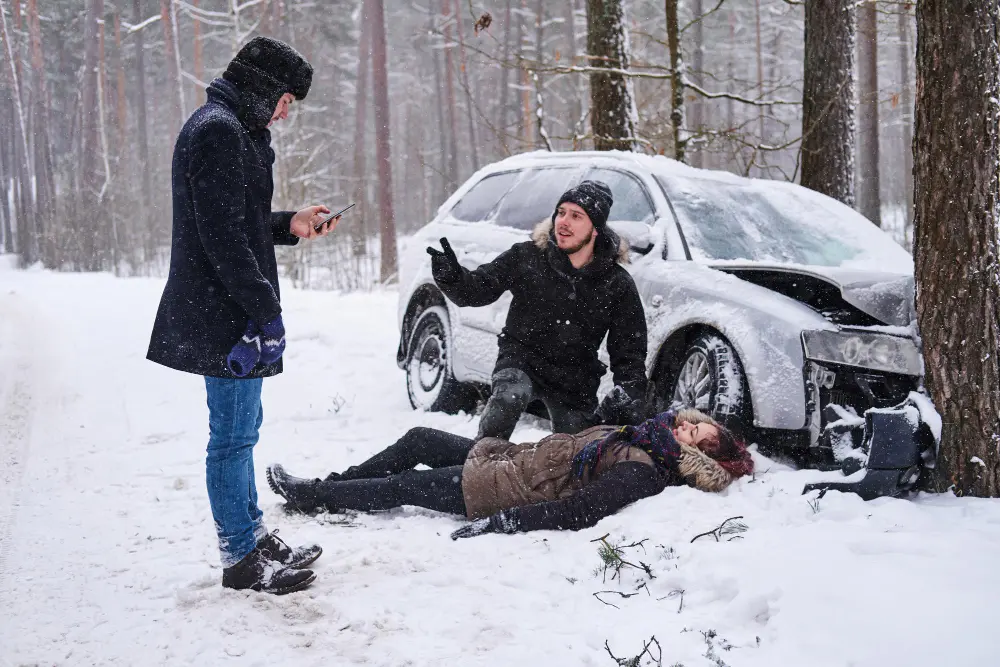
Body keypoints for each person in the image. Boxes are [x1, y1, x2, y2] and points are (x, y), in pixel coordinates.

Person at [147, 37, 340, 595]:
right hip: (224, 309)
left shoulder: (236, 129)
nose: (286, 110)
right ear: (261, 89)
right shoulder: (218, 132)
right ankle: (240, 557)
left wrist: (290, 224)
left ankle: (250, 533)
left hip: (234, 304)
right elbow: (222, 237)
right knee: (231, 436)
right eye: (284, 99)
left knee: (243, 430)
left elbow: (241, 218)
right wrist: (264, 309)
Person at [265, 409, 754, 538]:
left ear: (700, 462)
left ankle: (313, 497)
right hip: (511, 457)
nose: (688, 426)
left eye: (699, 437)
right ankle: (332, 484)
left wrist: (503, 522)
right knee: (418, 438)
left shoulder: (643, 469)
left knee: (403, 488)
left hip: (503, 488)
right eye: (695, 422)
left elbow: (579, 511)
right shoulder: (641, 433)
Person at [427, 180, 648, 440]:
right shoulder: (527, 256)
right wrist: (452, 277)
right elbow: (478, 290)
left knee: (574, 453)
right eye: (561, 212)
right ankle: (480, 460)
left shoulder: (617, 283)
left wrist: (630, 394)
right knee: (510, 396)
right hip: (522, 360)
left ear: (596, 229)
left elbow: (629, 352)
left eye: (576, 216)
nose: (563, 221)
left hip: (575, 378)